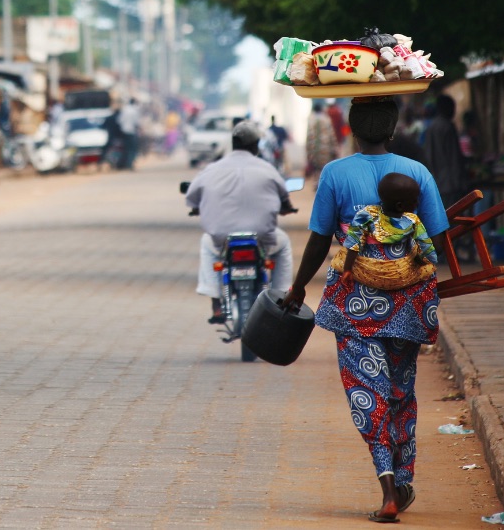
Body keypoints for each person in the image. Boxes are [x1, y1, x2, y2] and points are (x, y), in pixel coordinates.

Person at [280, 97, 449, 524]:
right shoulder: (418, 172)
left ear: (352, 130)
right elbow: (439, 242)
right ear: (393, 130)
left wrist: (298, 287)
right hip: (409, 304)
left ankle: (389, 487)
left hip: (355, 304)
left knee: (366, 391)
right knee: (400, 392)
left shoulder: (336, 173)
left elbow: (320, 241)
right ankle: (405, 478)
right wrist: (403, 265)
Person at [185, 121, 298, 325]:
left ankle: (216, 303)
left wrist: (197, 207)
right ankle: (281, 298)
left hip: (222, 239)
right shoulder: (268, 169)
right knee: (284, 246)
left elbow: (192, 197)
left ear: (234, 143)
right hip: (262, 238)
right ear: (255, 146)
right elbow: (284, 198)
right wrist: (287, 207)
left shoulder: (212, 169)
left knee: (206, 242)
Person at [339, 173, 438, 287]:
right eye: (415, 200)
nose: (418, 203)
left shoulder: (367, 214)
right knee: (428, 268)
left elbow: (354, 243)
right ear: (400, 206)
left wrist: (347, 269)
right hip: (401, 275)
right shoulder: (412, 220)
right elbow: (426, 247)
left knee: (340, 257)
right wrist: (426, 261)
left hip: (370, 273)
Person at [421, 94, 468, 209]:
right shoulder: (447, 127)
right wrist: (461, 183)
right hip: (450, 183)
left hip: (436, 182)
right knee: (453, 217)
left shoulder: (431, 127)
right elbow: (454, 158)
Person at [306, 101, 339, 177]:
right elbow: (332, 136)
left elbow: (308, 138)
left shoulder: (310, 120)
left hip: (314, 151)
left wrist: (308, 152)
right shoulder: (326, 119)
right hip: (325, 150)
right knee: (325, 169)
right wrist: (335, 149)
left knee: (316, 170)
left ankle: (317, 185)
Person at [117, 97, 141, 170]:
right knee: (132, 149)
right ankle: (129, 164)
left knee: (125, 148)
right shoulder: (134, 110)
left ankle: (123, 164)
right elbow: (136, 122)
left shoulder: (124, 109)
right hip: (131, 131)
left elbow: (119, 121)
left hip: (123, 131)